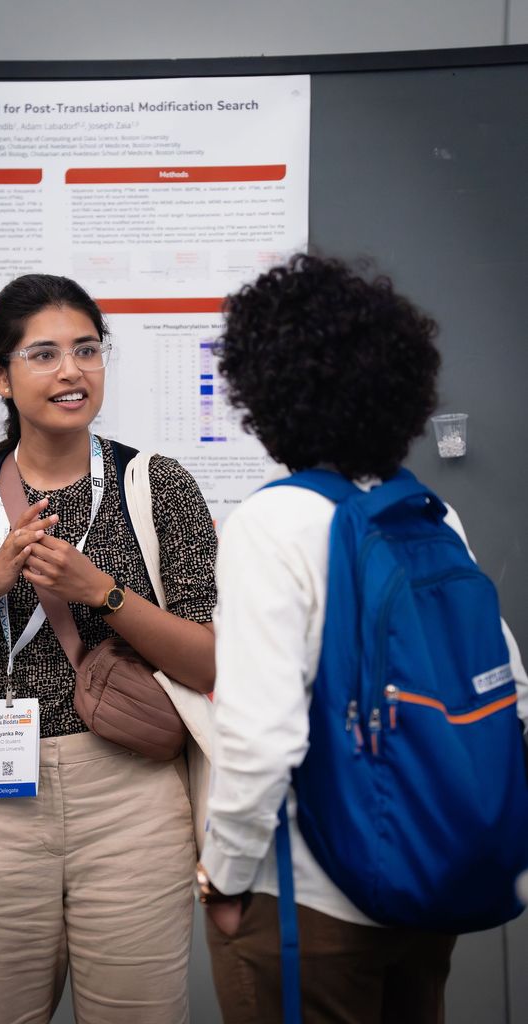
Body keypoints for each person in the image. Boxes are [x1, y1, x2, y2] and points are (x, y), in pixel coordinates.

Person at [196, 253, 528, 1024]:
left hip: (312, 904)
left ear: (264, 391)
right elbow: (508, 689)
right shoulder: (428, 515)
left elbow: (262, 738)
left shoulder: (270, 522)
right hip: (427, 880)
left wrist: (225, 876)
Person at [0, 273, 217, 1024]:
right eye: (42, 354)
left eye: (87, 349)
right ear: (0, 375)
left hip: (132, 795)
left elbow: (210, 662)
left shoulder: (156, 486)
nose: (71, 371)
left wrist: (101, 591)